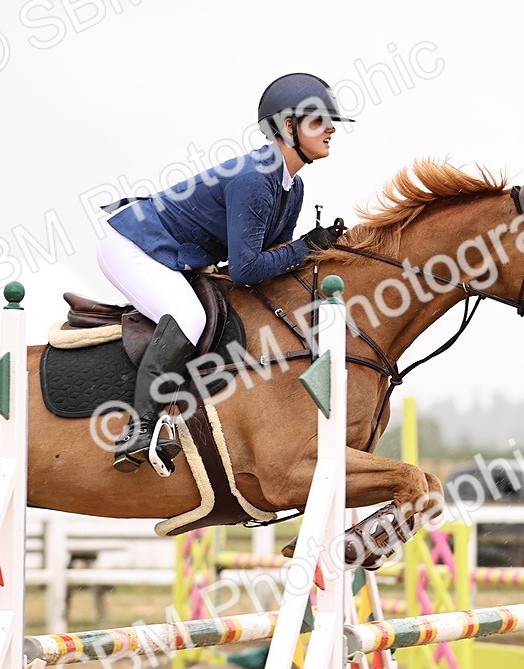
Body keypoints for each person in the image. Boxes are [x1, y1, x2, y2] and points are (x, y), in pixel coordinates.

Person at [97, 72, 354, 473]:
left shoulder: (293, 187)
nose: (331, 129)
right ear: (289, 126)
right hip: (134, 246)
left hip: (173, 254)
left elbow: (273, 258)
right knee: (189, 317)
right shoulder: (255, 179)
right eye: (319, 121)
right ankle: (138, 430)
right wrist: (306, 246)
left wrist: (314, 249)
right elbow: (246, 268)